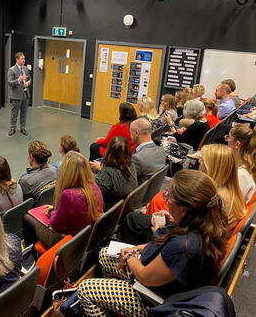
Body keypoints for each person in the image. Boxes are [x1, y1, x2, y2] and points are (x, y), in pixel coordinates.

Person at [78, 170, 228, 317]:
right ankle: (111, 301)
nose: (166, 199)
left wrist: (130, 255)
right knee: (105, 254)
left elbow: (144, 276)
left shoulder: (183, 246)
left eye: (168, 196)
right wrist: (137, 248)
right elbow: (166, 249)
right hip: (166, 287)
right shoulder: (204, 224)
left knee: (86, 289)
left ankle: (111, 297)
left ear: (183, 210)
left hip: (155, 302)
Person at [24, 151, 104, 249]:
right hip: (88, 237)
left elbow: (55, 225)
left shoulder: (68, 194)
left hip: (70, 242)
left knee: (27, 218)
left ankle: (34, 257)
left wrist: (51, 211)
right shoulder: (93, 185)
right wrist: (57, 209)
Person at [198, 144, 247, 232]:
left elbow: (199, 231)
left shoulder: (214, 198)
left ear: (211, 167)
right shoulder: (229, 192)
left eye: (202, 160)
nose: (199, 162)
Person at [90, 136, 137, 210]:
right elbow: (117, 177)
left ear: (108, 151)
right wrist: (101, 169)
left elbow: (93, 198)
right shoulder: (131, 165)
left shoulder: (106, 174)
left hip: (108, 212)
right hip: (125, 208)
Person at [129, 118, 166, 184]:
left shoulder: (137, 158)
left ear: (137, 133)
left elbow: (128, 182)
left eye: (130, 133)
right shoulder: (161, 150)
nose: (130, 136)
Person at [226, 124, 256, 203]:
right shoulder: (247, 164)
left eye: (228, 137)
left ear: (237, 144)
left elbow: (229, 204)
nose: (226, 140)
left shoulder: (241, 174)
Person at [8, 52, 31, 136]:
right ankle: (13, 128)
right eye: (22, 59)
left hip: (25, 94)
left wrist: (28, 83)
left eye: (24, 58)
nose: (24, 60)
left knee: (24, 112)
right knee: (15, 113)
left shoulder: (25, 69)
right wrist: (18, 80)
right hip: (16, 95)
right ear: (17, 60)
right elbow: (10, 82)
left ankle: (23, 128)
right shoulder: (12, 70)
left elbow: (29, 79)